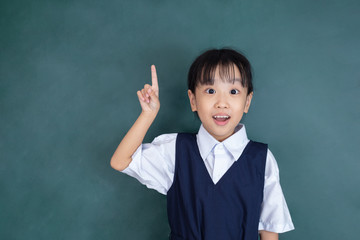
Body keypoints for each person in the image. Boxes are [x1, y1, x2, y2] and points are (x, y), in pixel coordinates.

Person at [110, 48, 294, 240]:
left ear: (247, 101)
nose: (221, 103)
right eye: (210, 90)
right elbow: (120, 161)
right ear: (193, 100)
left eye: (233, 91)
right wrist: (148, 114)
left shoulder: (261, 159)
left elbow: (269, 229)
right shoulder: (174, 150)